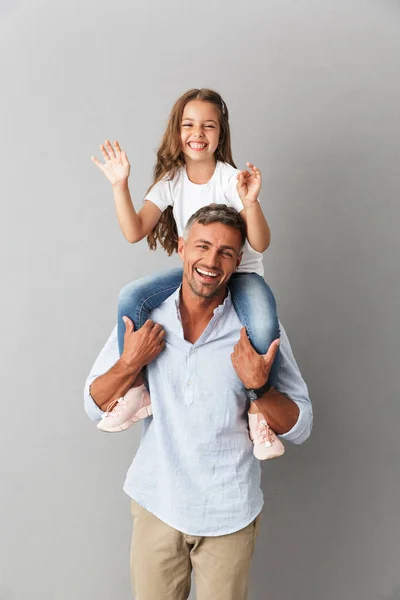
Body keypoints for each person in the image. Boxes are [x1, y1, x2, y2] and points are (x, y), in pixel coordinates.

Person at [84, 204, 313, 600]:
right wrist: (130, 363)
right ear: (182, 248)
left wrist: (260, 388)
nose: (211, 261)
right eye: (202, 246)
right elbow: (94, 405)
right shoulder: (145, 317)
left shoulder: (258, 331)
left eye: (225, 252)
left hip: (229, 512)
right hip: (157, 503)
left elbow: (302, 425)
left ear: (238, 261)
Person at [90, 89, 281, 455]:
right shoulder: (171, 181)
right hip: (195, 277)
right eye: (189, 125)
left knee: (264, 320)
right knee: (132, 296)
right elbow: (134, 231)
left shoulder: (230, 179)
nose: (198, 133)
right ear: (177, 132)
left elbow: (260, 242)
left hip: (239, 276)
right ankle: (136, 390)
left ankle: (259, 414)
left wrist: (251, 202)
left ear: (220, 135)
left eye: (209, 126)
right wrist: (119, 186)